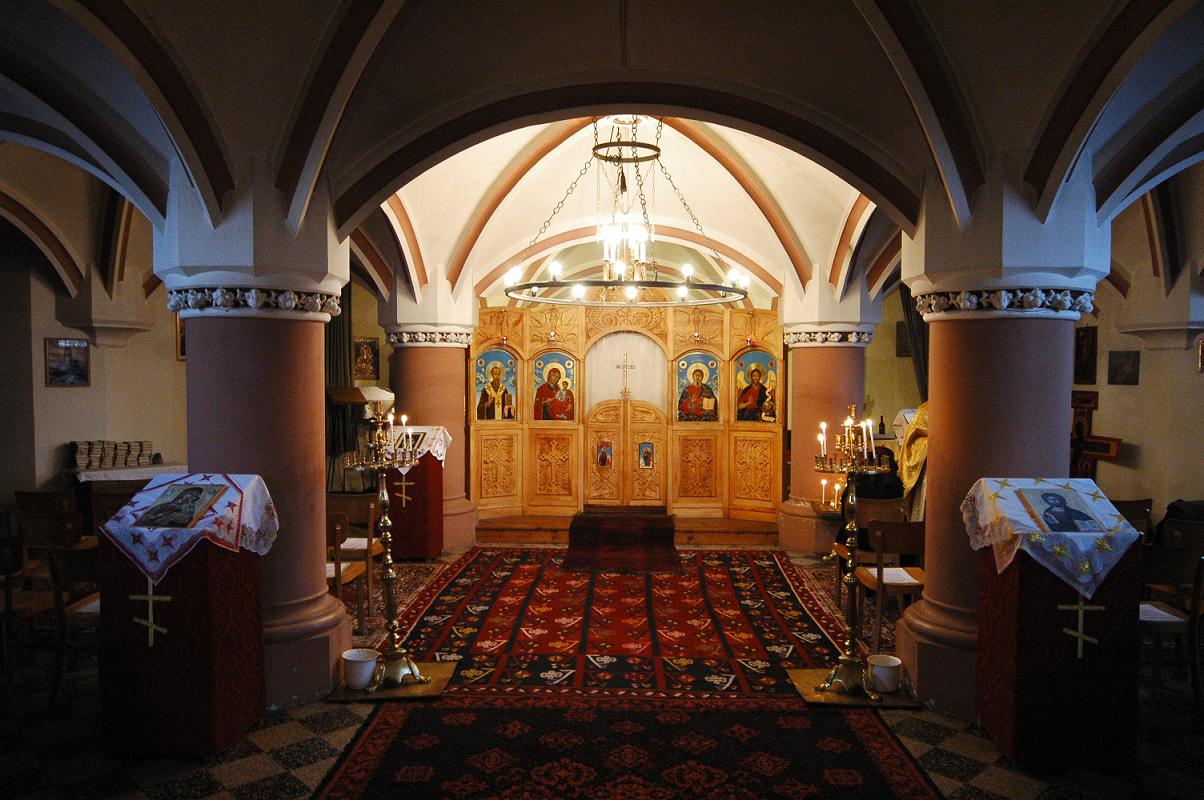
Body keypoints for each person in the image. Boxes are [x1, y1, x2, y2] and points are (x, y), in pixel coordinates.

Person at [135, 486, 207, 528]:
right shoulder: (171, 506)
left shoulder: (189, 509)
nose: (194, 499)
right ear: (184, 494)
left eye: (196, 497)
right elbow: (149, 516)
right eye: (193, 495)